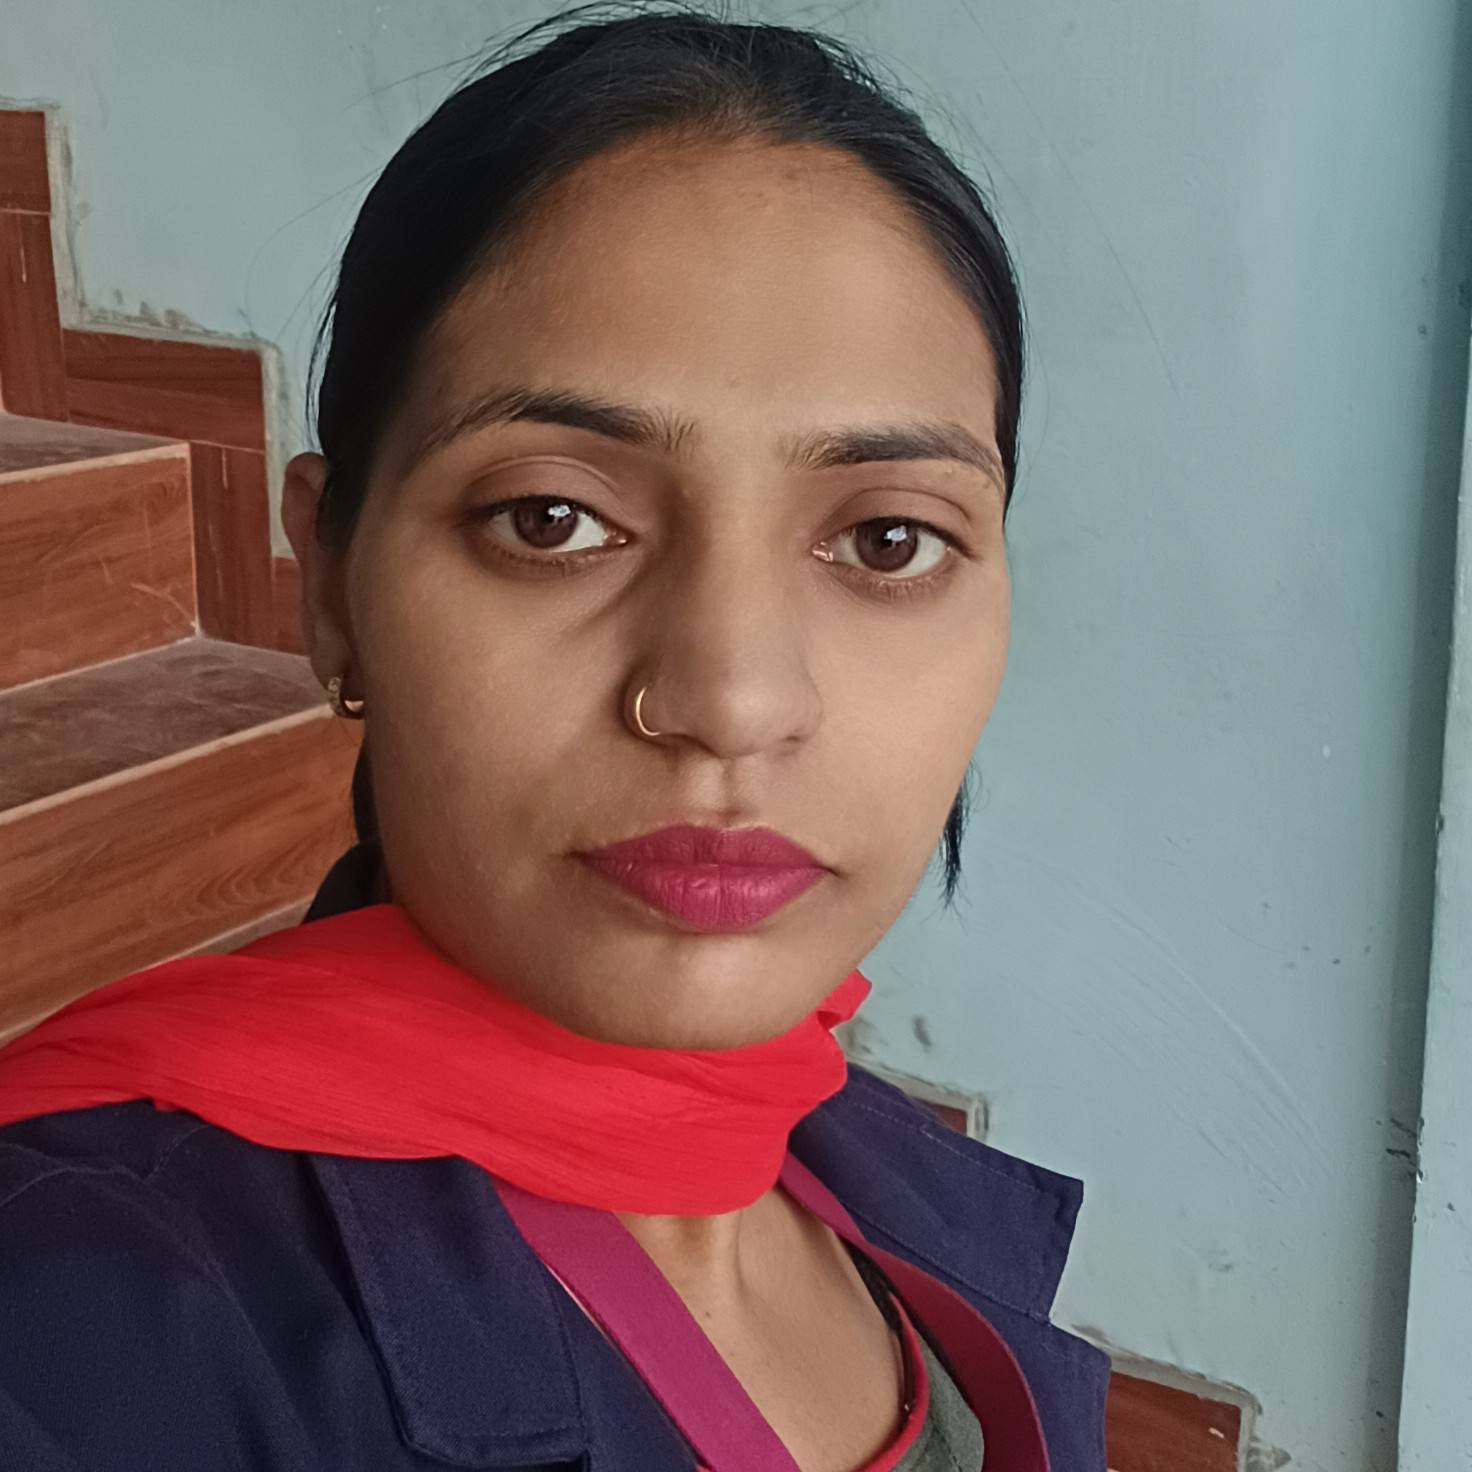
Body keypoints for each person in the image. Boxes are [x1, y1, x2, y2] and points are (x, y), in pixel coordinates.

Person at [0, 6, 1109, 1469]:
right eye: (551, 519)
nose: (729, 698)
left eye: (888, 539)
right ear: (330, 586)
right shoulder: (94, 1323)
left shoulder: (864, 1171)